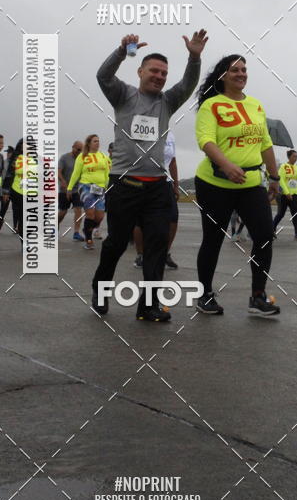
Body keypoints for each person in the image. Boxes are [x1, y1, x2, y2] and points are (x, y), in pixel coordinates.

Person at [92, 30, 207, 320]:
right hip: (124, 184)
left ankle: (149, 305)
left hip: (157, 187)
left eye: (164, 73)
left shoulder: (167, 102)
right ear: (140, 71)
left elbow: (189, 83)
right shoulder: (123, 95)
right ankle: (101, 289)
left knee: (156, 246)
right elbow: (103, 76)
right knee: (117, 243)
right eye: (154, 71)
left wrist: (194, 57)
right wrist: (120, 51)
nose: (159, 76)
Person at [194, 54, 281, 317]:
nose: (241, 74)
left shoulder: (256, 106)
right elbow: (206, 141)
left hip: (251, 184)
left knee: (264, 237)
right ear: (223, 75)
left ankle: (257, 296)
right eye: (235, 70)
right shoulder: (212, 106)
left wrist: (275, 178)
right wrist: (225, 165)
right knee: (213, 239)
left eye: (244, 69)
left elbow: (265, 144)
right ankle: (205, 294)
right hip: (214, 183)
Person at [132, 129, 180, 269]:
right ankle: (141, 255)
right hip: (143, 180)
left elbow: (172, 161)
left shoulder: (170, 134)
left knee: (173, 218)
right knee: (141, 221)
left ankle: (165, 253)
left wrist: (176, 185)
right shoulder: (143, 129)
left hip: (165, 182)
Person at [67, 135, 109, 250]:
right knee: (90, 213)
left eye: (98, 141)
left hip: (100, 188)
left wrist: (106, 186)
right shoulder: (82, 156)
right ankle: (89, 240)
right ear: (89, 143)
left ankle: (87, 229)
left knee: (99, 216)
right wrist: (69, 188)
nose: (97, 143)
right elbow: (76, 173)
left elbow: (106, 172)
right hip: (86, 186)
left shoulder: (102, 156)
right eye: (95, 141)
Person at [272, 149, 297, 240]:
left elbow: (296, 180)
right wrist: (286, 192)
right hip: (284, 195)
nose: (296, 158)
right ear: (289, 157)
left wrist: (294, 192)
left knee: (295, 214)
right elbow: (280, 179)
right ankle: (272, 229)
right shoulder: (283, 166)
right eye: (294, 156)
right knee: (281, 214)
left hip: (294, 194)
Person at [1, 139, 27, 244]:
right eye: (23, 145)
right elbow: (9, 174)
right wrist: (6, 191)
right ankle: (24, 243)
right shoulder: (15, 158)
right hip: (17, 191)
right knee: (22, 218)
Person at [58, 141, 84, 240]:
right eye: (78, 149)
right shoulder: (64, 158)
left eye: (81, 150)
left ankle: (76, 233)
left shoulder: (81, 159)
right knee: (63, 212)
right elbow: (58, 172)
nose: (79, 152)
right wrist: (63, 182)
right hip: (64, 190)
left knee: (78, 210)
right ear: (72, 147)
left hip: (77, 189)